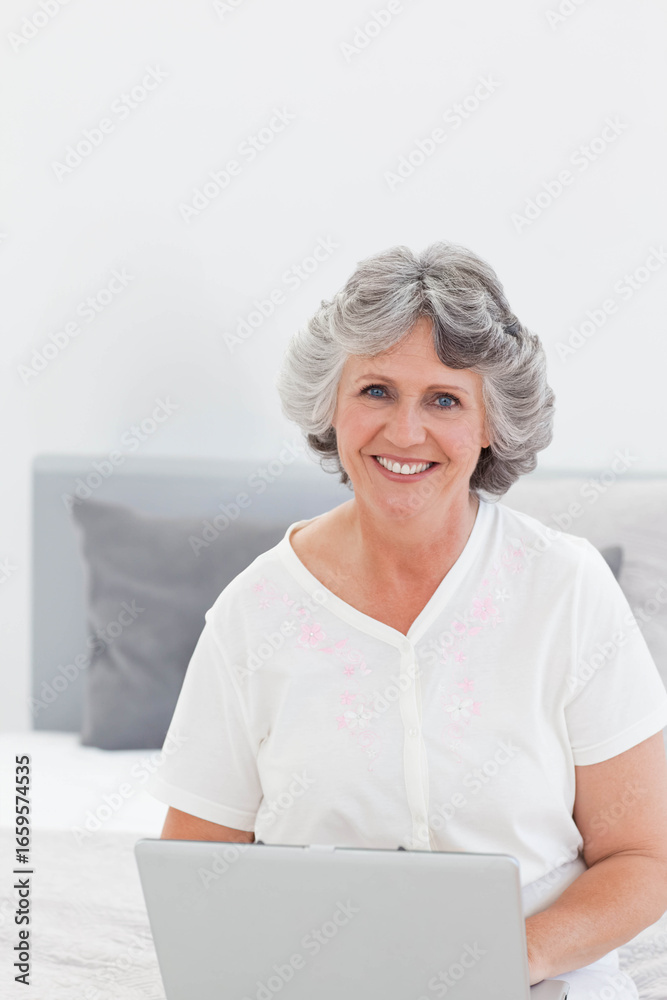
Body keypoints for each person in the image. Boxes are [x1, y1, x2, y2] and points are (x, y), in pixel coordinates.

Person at [147, 241, 667, 998]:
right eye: (376, 391)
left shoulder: (566, 587)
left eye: (444, 400)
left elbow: (643, 859)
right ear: (331, 406)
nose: (404, 431)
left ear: (490, 424)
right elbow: (196, 876)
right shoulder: (252, 613)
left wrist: (506, 960)